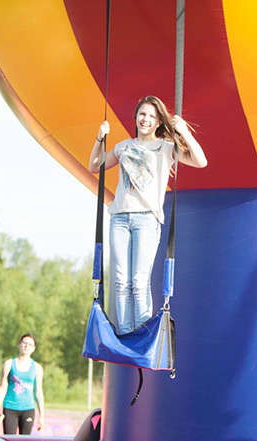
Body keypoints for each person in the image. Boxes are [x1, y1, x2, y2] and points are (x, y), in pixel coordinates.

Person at [88, 95, 208, 335]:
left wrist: (184, 132)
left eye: (152, 116)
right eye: (143, 114)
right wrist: (100, 138)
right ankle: (125, 334)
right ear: (136, 117)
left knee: (139, 281)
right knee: (121, 281)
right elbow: (94, 165)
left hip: (147, 219)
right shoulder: (124, 146)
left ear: (158, 122)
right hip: (120, 217)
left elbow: (201, 161)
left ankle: (141, 334)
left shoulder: (165, 147)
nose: (146, 119)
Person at [0, 333, 45, 434]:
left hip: (28, 408)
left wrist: (42, 416)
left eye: (30, 345)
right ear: (19, 344)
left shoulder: (37, 368)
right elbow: (3, 387)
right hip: (10, 407)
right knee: (9, 440)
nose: (26, 346)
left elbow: (38, 392)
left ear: (33, 348)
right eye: (24, 343)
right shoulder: (9, 364)